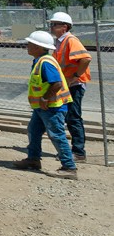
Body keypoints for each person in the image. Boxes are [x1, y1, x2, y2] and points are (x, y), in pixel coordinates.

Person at [12, 30, 77, 179]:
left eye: (30, 44)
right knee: (34, 130)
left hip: (52, 107)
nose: (27, 46)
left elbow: (57, 84)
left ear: (38, 47)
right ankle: (33, 160)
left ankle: (69, 167)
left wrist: (45, 98)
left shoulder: (45, 63)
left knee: (56, 135)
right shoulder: (40, 60)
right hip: (42, 108)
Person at [48, 11, 92, 161]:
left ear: (64, 27)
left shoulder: (70, 40)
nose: (51, 27)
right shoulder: (59, 41)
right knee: (70, 117)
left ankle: (79, 152)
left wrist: (75, 77)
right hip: (68, 85)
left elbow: (85, 59)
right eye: (51, 24)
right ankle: (75, 151)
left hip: (75, 85)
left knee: (73, 117)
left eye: (54, 24)